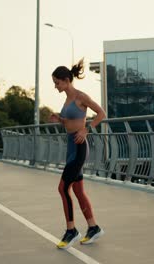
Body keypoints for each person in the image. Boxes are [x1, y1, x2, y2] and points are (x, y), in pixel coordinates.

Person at [49, 58, 106, 249]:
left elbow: (101, 113)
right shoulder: (66, 100)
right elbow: (69, 122)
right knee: (78, 190)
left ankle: (71, 230)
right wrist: (59, 119)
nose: (55, 86)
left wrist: (86, 129)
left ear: (66, 80)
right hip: (70, 147)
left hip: (80, 146)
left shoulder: (81, 96)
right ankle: (94, 228)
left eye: (57, 82)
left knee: (63, 188)